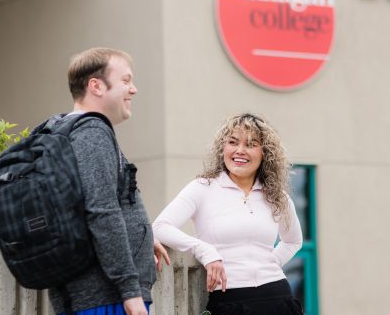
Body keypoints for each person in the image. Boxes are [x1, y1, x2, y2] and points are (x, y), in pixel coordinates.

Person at [46, 47, 170, 315]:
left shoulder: (61, 130)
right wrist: (130, 291)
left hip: (91, 295)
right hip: (106, 298)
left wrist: (141, 235)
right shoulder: (92, 133)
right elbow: (102, 212)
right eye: (125, 80)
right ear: (96, 86)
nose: (133, 89)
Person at [152, 113, 304, 315]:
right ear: (223, 148)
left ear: (265, 153)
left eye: (250, 144)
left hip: (278, 298)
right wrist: (205, 251)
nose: (240, 150)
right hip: (230, 299)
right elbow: (160, 226)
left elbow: (293, 241)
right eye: (233, 142)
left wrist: (270, 263)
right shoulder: (202, 188)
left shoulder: (277, 196)